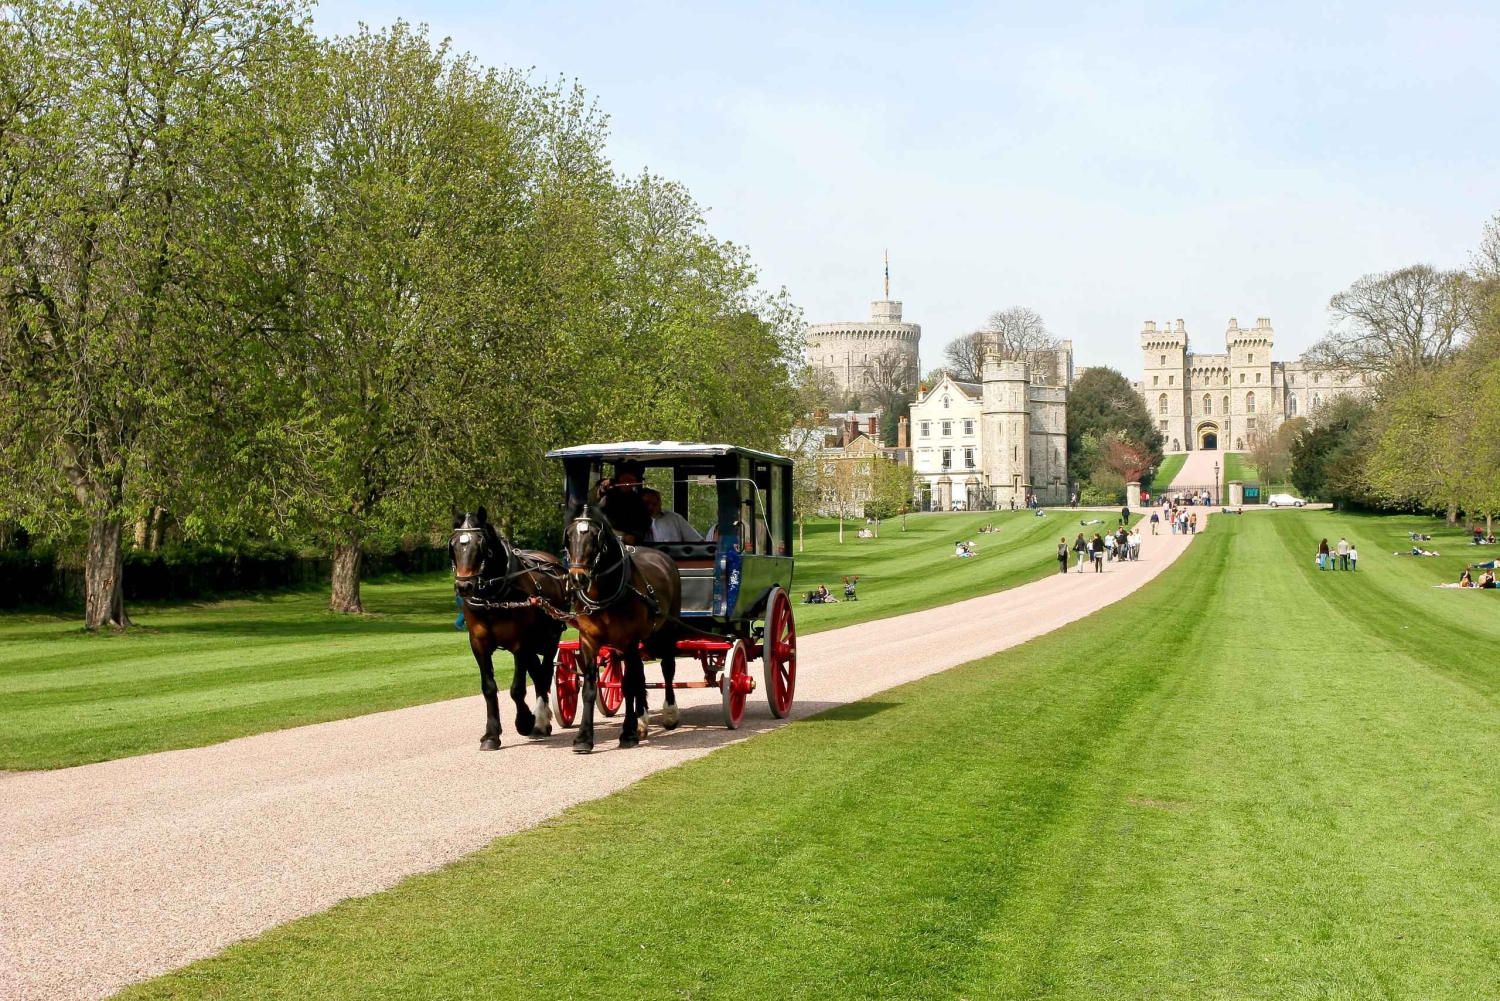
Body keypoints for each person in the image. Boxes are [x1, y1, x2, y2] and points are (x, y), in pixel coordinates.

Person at [595, 463, 653, 543]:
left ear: (636, 482)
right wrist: (602, 488)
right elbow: (595, 498)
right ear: (618, 478)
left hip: (626, 541)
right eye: (624, 479)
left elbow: (645, 522)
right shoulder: (608, 493)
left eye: (631, 480)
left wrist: (635, 535)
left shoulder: (638, 501)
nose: (627, 483)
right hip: (602, 537)